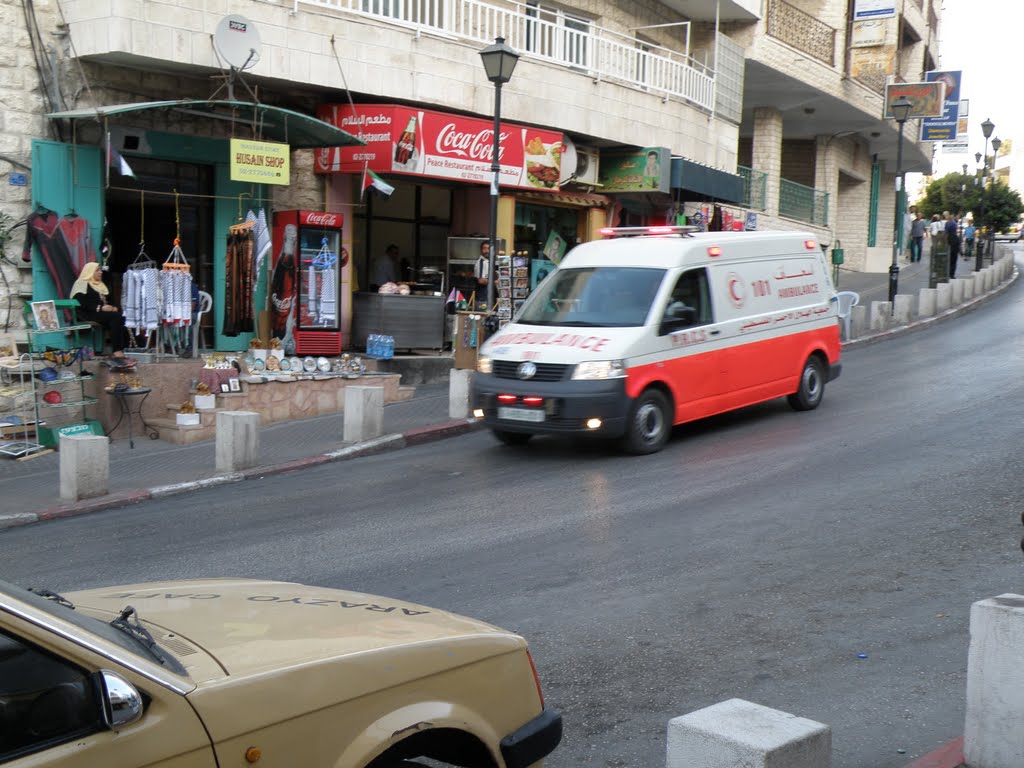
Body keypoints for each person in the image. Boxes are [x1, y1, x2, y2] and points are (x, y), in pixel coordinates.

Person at [70, 262, 134, 368]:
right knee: (116, 318)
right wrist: (100, 308)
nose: (100, 272)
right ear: (89, 272)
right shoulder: (81, 283)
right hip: (86, 314)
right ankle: (117, 351)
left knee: (119, 317)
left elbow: (105, 302)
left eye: (100, 270)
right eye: (97, 270)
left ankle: (121, 349)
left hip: (99, 313)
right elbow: (81, 303)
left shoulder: (100, 285)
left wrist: (112, 307)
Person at [945, 212, 961, 279]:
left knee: (948, 260)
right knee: (953, 261)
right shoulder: (954, 224)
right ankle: (951, 274)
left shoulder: (947, 224)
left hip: (949, 243)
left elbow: (946, 232)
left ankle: (947, 273)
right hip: (954, 245)